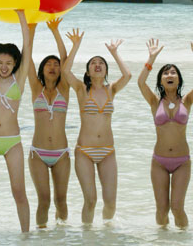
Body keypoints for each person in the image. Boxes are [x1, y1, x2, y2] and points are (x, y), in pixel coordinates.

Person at [62, 28, 131, 224]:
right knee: (90, 200)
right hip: (85, 151)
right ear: (88, 71)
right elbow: (65, 71)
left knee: (110, 202)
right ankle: (88, 238)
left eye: (101, 63)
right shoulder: (82, 89)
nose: (97, 65)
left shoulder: (112, 89)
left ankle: (106, 238)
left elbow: (127, 75)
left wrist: (114, 53)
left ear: (106, 70)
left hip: (108, 151)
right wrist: (75, 46)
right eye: (93, 63)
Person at [0, 10, 31, 234]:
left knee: (18, 191)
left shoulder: (18, 79)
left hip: (12, 141)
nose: (3, 66)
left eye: (8, 63)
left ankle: (26, 236)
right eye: (0, 62)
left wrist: (21, 15)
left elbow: (27, 46)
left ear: (14, 63)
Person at [137, 38, 192, 228]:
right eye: (166, 73)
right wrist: (151, 58)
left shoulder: (187, 101)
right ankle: (162, 241)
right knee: (161, 209)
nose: (170, 75)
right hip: (159, 161)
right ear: (161, 80)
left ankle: (184, 240)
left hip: (182, 162)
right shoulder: (155, 102)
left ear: (179, 79)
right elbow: (140, 82)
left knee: (177, 208)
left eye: (173, 72)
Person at [28, 18, 71, 228]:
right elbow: (27, 59)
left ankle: (61, 239)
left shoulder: (65, 89)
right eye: (48, 64)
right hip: (38, 153)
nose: (53, 67)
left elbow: (66, 58)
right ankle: (42, 238)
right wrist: (31, 31)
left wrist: (55, 31)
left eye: (56, 65)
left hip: (61, 153)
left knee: (61, 201)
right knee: (43, 201)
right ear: (42, 69)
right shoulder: (36, 89)